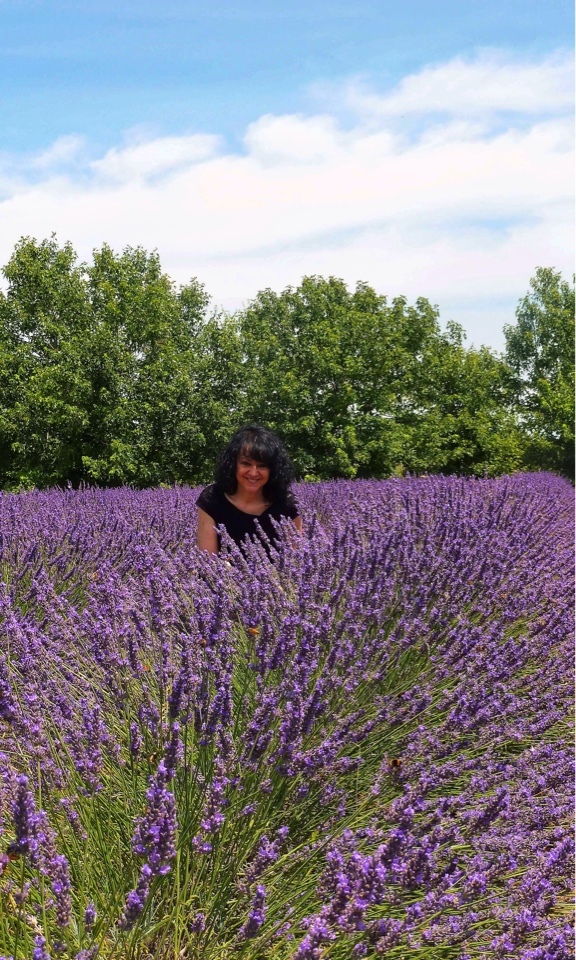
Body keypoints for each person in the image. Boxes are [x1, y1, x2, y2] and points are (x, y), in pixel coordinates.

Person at [196, 425, 302, 555]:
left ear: (273, 470)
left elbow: (296, 562)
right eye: (246, 463)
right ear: (233, 464)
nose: (253, 472)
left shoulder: (287, 505)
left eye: (262, 466)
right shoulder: (212, 499)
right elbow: (208, 562)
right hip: (224, 575)